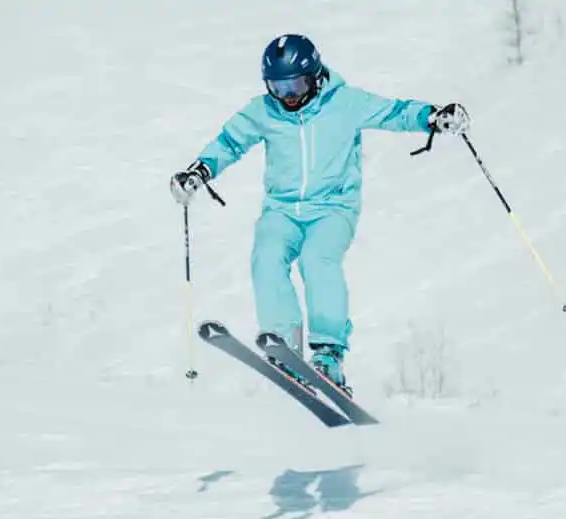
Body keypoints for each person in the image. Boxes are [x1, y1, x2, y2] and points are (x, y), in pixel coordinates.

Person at [170, 33, 469, 396]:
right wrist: (199, 171)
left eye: (295, 84)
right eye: (278, 87)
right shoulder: (264, 110)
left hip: (333, 208)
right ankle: (284, 344)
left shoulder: (345, 103)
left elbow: (394, 112)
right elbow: (230, 141)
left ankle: (328, 354)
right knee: (266, 257)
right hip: (282, 210)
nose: (288, 96)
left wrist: (432, 117)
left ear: (315, 76)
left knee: (317, 260)